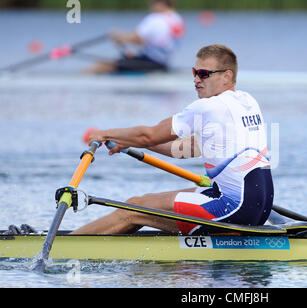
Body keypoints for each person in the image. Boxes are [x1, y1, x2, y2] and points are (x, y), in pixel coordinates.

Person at [73, 44, 273, 235]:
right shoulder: (247, 101)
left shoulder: (207, 106)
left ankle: (67, 245)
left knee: (133, 209)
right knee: (143, 201)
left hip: (232, 208)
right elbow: (188, 148)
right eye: (194, 73)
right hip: (260, 207)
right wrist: (132, 141)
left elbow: (149, 135)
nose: (196, 80)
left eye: (204, 74)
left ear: (227, 76)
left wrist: (105, 134)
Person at [86, 0, 185, 74]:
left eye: (152, 3)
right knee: (127, 57)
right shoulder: (178, 19)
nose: (150, 5)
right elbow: (157, 41)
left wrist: (118, 36)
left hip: (149, 62)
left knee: (101, 65)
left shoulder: (155, 19)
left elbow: (135, 38)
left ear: (161, 3)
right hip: (163, 63)